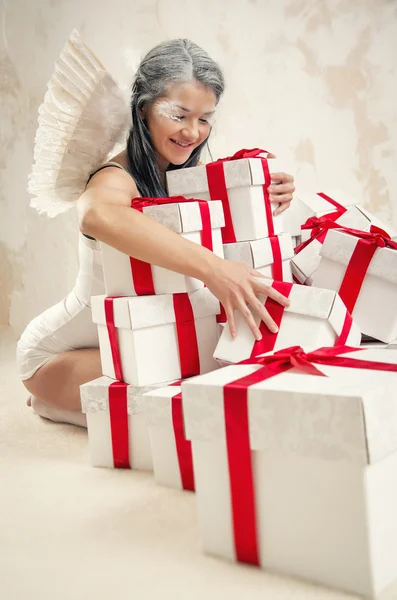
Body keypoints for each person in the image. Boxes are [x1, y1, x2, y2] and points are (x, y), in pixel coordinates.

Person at [17, 38, 295, 427]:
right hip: (56, 356)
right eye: (178, 115)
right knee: (192, 397)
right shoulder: (114, 177)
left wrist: (260, 194)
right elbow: (97, 215)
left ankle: (81, 406)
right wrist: (213, 269)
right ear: (144, 107)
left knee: (224, 369)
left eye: (204, 118)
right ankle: (55, 402)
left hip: (139, 336)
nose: (193, 132)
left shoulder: (182, 177)